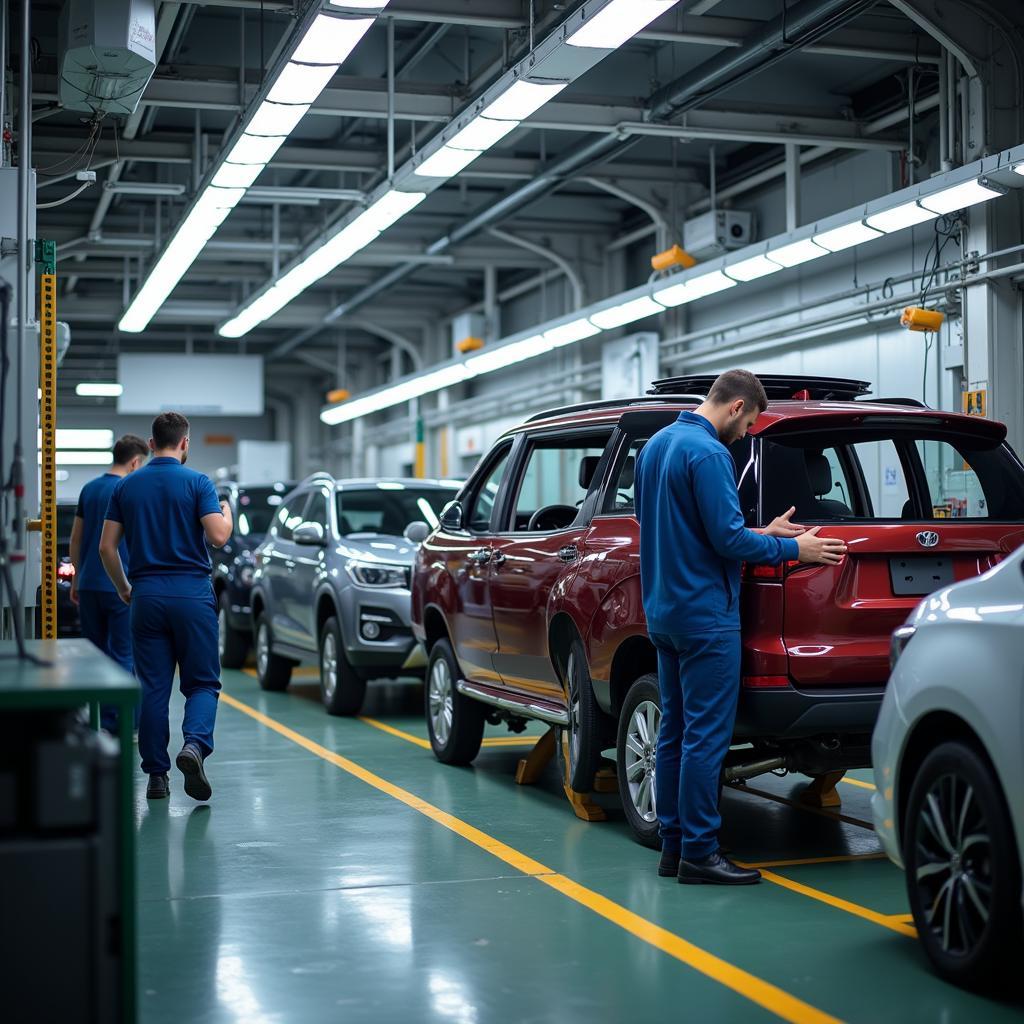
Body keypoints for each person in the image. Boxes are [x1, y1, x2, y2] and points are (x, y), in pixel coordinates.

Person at [634, 370, 847, 886]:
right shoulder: (709, 454)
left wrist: (761, 531)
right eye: (748, 423)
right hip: (706, 617)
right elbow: (728, 542)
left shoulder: (657, 446)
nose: (747, 433)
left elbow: (679, 525)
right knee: (707, 740)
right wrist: (796, 547)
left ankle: (674, 846)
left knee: (676, 734)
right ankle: (701, 854)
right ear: (734, 408)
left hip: (664, 613)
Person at [99, 412, 233, 802]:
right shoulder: (198, 482)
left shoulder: (126, 487)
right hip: (192, 595)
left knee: (153, 688)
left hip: (146, 596)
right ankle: (193, 747)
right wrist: (225, 511)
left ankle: (157, 777)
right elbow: (219, 536)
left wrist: (125, 588)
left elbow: (106, 547)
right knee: (203, 683)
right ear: (185, 443)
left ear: (151, 442)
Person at [70, 434, 149, 731]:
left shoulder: (89, 489)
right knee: (124, 655)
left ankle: (97, 721)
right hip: (121, 584)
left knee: (95, 655)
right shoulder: (129, 488)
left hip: (89, 584)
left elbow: (77, 538)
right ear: (135, 462)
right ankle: (122, 723)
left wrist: (78, 576)